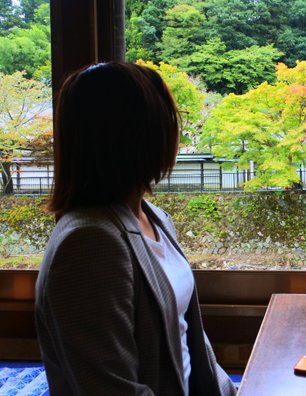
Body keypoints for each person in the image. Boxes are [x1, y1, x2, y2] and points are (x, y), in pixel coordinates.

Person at [35, 62, 237, 396]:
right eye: (168, 121)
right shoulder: (88, 243)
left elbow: (186, 336)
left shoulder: (154, 217)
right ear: (141, 137)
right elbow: (110, 388)